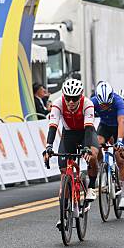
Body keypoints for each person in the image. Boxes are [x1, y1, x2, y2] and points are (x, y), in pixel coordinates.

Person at [44, 78, 99, 229]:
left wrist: (87, 148)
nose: (71, 102)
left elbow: (88, 128)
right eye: (68, 98)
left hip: (85, 133)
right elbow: (53, 126)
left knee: (93, 155)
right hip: (68, 135)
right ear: (63, 96)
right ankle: (63, 213)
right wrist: (48, 146)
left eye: (74, 98)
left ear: (80, 96)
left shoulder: (88, 104)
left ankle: (91, 187)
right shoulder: (58, 103)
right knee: (64, 172)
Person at [91, 81, 124, 209]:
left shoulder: (118, 101)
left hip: (118, 127)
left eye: (107, 104)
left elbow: (121, 121)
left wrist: (119, 140)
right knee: (96, 145)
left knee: (120, 158)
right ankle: (102, 166)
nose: (105, 106)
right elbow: (88, 121)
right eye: (102, 104)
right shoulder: (93, 101)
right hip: (105, 126)